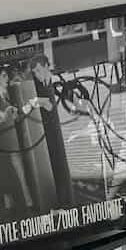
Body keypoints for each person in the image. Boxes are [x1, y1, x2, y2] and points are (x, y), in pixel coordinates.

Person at [0, 65, 33, 222]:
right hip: (3, 145)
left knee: (17, 177)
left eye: (6, 76)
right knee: (12, 178)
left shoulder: (6, 94)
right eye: (3, 76)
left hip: (12, 142)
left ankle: (22, 209)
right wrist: (2, 117)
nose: (7, 79)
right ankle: (21, 211)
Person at [29, 54, 74, 207]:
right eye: (34, 72)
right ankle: (62, 203)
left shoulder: (53, 83)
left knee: (62, 167)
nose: (36, 74)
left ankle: (68, 203)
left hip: (57, 133)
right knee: (56, 168)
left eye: (38, 70)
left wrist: (37, 103)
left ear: (47, 66)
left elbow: (52, 105)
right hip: (49, 133)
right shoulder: (39, 85)